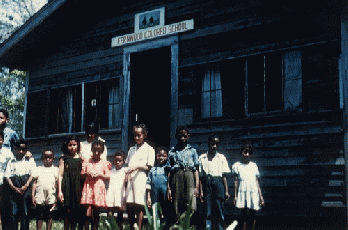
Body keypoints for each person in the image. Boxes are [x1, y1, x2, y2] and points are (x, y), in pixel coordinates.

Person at [125, 124, 155, 230]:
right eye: (135, 135)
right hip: (130, 178)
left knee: (139, 204)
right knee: (129, 204)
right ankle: (132, 226)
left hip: (141, 177)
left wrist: (137, 166)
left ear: (145, 135)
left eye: (139, 135)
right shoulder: (131, 149)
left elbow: (149, 166)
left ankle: (139, 227)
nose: (137, 138)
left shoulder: (149, 149)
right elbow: (127, 163)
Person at [166, 126, 199, 221]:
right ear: (176, 137)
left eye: (185, 136)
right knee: (177, 203)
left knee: (191, 205)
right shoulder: (172, 151)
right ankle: (177, 224)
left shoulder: (192, 151)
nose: (182, 138)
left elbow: (196, 170)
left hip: (189, 175)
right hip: (176, 176)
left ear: (188, 136)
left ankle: (187, 224)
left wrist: (197, 187)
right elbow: (169, 171)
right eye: (180, 136)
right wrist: (168, 188)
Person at [199, 135, 231, 230]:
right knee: (207, 210)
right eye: (213, 143)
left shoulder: (221, 158)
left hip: (218, 183)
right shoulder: (202, 158)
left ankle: (221, 228)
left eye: (217, 144)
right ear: (208, 143)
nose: (215, 146)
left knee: (220, 208)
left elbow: (224, 176)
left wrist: (226, 191)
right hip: (207, 182)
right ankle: (207, 228)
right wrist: (201, 191)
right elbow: (200, 177)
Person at [232, 141, 264, 230]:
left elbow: (256, 182)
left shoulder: (254, 166)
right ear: (241, 152)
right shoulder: (237, 165)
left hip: (253, 191)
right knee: (243, 214)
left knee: (253, 214)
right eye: (245, 152)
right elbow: (235, 182)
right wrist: (235, 196)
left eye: (249, 152)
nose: (247, 154)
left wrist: (261, 197)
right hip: (243, 192)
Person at [4, 139, 36, 230]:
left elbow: (33, 174)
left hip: (25, 188)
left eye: (23, 149)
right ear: (15, 149)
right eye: (19, 149)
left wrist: (25, 186)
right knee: (14, 213)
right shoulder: (11, 161)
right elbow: (7, 176)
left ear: (26, 150)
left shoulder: (29, 160)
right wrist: (14, 188)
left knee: (25, 213)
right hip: (14, 189)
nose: (21, 151)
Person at [80, 140, 111, 230]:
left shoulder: (104, 163)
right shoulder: (87, 161)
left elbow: (108, 176)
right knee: (87, 213)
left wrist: (100, 175)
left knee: (96, 212)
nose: (96, 153)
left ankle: (95, 227)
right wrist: (87, 174)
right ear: (91, 150)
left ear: (102, 152)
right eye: (94, 150)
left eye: (99, 151)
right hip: (88, 187)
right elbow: (81, 174)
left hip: (98, 188)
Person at [58, 136, 85, 230]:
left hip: (77, 186)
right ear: (66, 146)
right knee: (67, 211)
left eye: (74, 145)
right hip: (67, 186)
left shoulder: (81, 159)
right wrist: (60, 191)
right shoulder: (64, 158)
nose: (72, 147)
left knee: (75, 211)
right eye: (70, 145)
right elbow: (60, 175)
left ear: (78, 145)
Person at [32, 149, 59, 230]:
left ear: (53, 159)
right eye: (45, 157)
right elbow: (34, 183)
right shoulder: (38, 169)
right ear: (42, 158)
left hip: (51, 195)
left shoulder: (55, 169)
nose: (47, 159)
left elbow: (57, 184)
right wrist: (33, 195)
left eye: (50, 157)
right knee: (39, 215)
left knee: (49, 215)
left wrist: (57, 198)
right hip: (40, 194)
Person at [146, 146, 171, 228]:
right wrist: (148, 197)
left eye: (164, 156)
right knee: (155, 212)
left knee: (166, 211)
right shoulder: (153, 170)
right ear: (156, 156)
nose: (161, 158)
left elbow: (170, 182)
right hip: (155, 195)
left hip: (165, 195)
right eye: (159, 155)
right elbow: (148, 183)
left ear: (167, 157)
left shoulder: (168, 169)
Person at [106, 150, 127, 230]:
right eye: (116, 161)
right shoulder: (111, 171)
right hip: (111, 194)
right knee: (110, 214)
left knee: (120, 215)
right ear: (113, 161)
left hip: (120, 195)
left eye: (120, 161)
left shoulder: (125, 171)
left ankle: (119, 227)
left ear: (123, 161)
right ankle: (109, 227)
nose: (118, 162)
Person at [0, 130, 14, 230]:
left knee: (5, 209)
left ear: (3, 140)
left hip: (3, 184)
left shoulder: (7, 152)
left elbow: (13, 164)